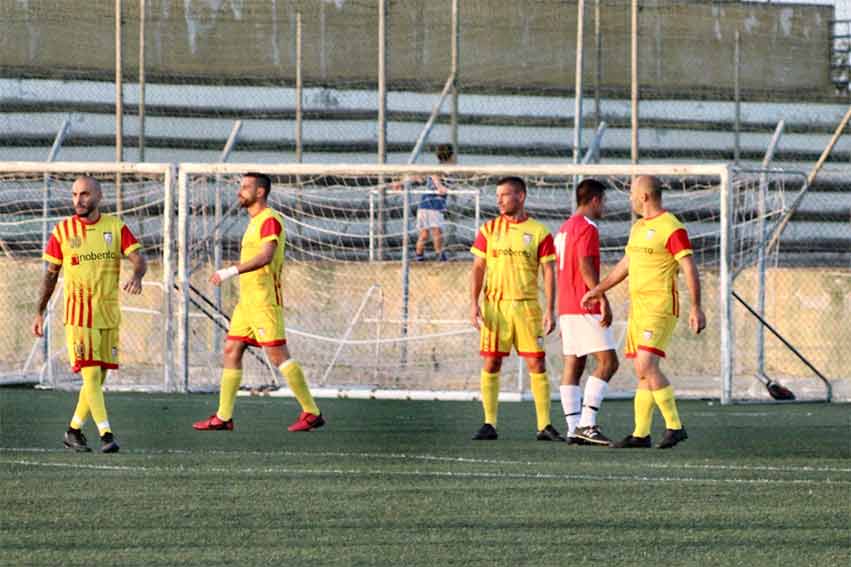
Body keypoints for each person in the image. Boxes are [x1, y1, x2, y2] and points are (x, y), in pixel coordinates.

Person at [193, 173, 324, 433]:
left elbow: (266, 256)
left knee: (278, 356)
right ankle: (223, 416)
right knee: (232, 351)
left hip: (264, 303)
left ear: (260, 192)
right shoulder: (253, 222)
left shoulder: (269, 220)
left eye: (245, 188)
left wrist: (230, 271)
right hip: (247, 304)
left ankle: (311, 412)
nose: (239, 192)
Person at [581, 175, 705, 449]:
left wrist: (696, 306)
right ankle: (641, 434)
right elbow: (626, 264)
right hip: (638, 309)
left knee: (646, 364)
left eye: (632, 193)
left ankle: (675, 426)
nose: (630, 198)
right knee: (642, 371)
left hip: (660, 307)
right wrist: (599, 288)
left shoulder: (671, 227)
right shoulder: (638, 227)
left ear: (644, 196)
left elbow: (688, 267)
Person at [32, 176, 147, 453]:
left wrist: (138, 275)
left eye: (84, 194)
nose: (78, 200)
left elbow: (139, 258)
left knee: (100, 376)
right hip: (78, 316)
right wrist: (39, 312)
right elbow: (50, 275)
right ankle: (106, 434)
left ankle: (73, 430)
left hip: (108, 314)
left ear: (98, 196)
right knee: (91, 375)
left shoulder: (115, 227)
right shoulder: (62, 231)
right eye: (74, 195)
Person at [469, 176, 563, 441]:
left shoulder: (539, 232)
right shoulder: (488, 229)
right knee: (491, 360)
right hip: (495, 307)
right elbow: (478, 268)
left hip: (527, 307)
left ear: (520, 196)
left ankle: (544, 425)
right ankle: (489, 423)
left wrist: (549, 309)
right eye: (497, 195)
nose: (499, 200)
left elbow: (549, 271)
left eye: (505, 195)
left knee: (537, 362)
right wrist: (473, 304)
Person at [554, 178, 619, 446]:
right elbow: (584, 265)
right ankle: (587, 424)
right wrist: (600, 296)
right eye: (603, 201)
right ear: (595, 200)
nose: (604, 207)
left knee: (575, 362)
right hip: (584, 303)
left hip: (566, 304)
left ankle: (572, 427)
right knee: (608, 362)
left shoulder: (564, 228)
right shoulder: (588, 227)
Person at [415, 144, 455, 262]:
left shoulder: (447, 171)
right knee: (436, 232)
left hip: (424, 205)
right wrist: (439, 186)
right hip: (433, 205)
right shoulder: (441, 168)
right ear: (451, 156)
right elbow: (434, 174)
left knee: (424, 234)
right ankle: (439, 256)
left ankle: (419, 256)